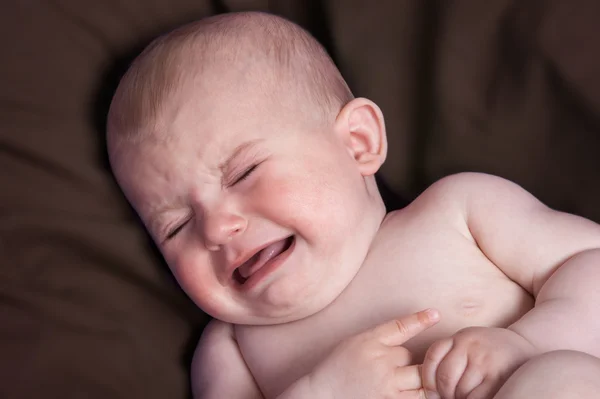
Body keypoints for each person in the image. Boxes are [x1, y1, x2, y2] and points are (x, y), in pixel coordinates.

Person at [106, 11, 600, 399]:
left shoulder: (459, 210)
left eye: (243, 173)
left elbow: (591, 262)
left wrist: (528, 346)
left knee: (559, 379)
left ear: (358, 142)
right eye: (176, 227)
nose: (216, 227)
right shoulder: (231, 351)